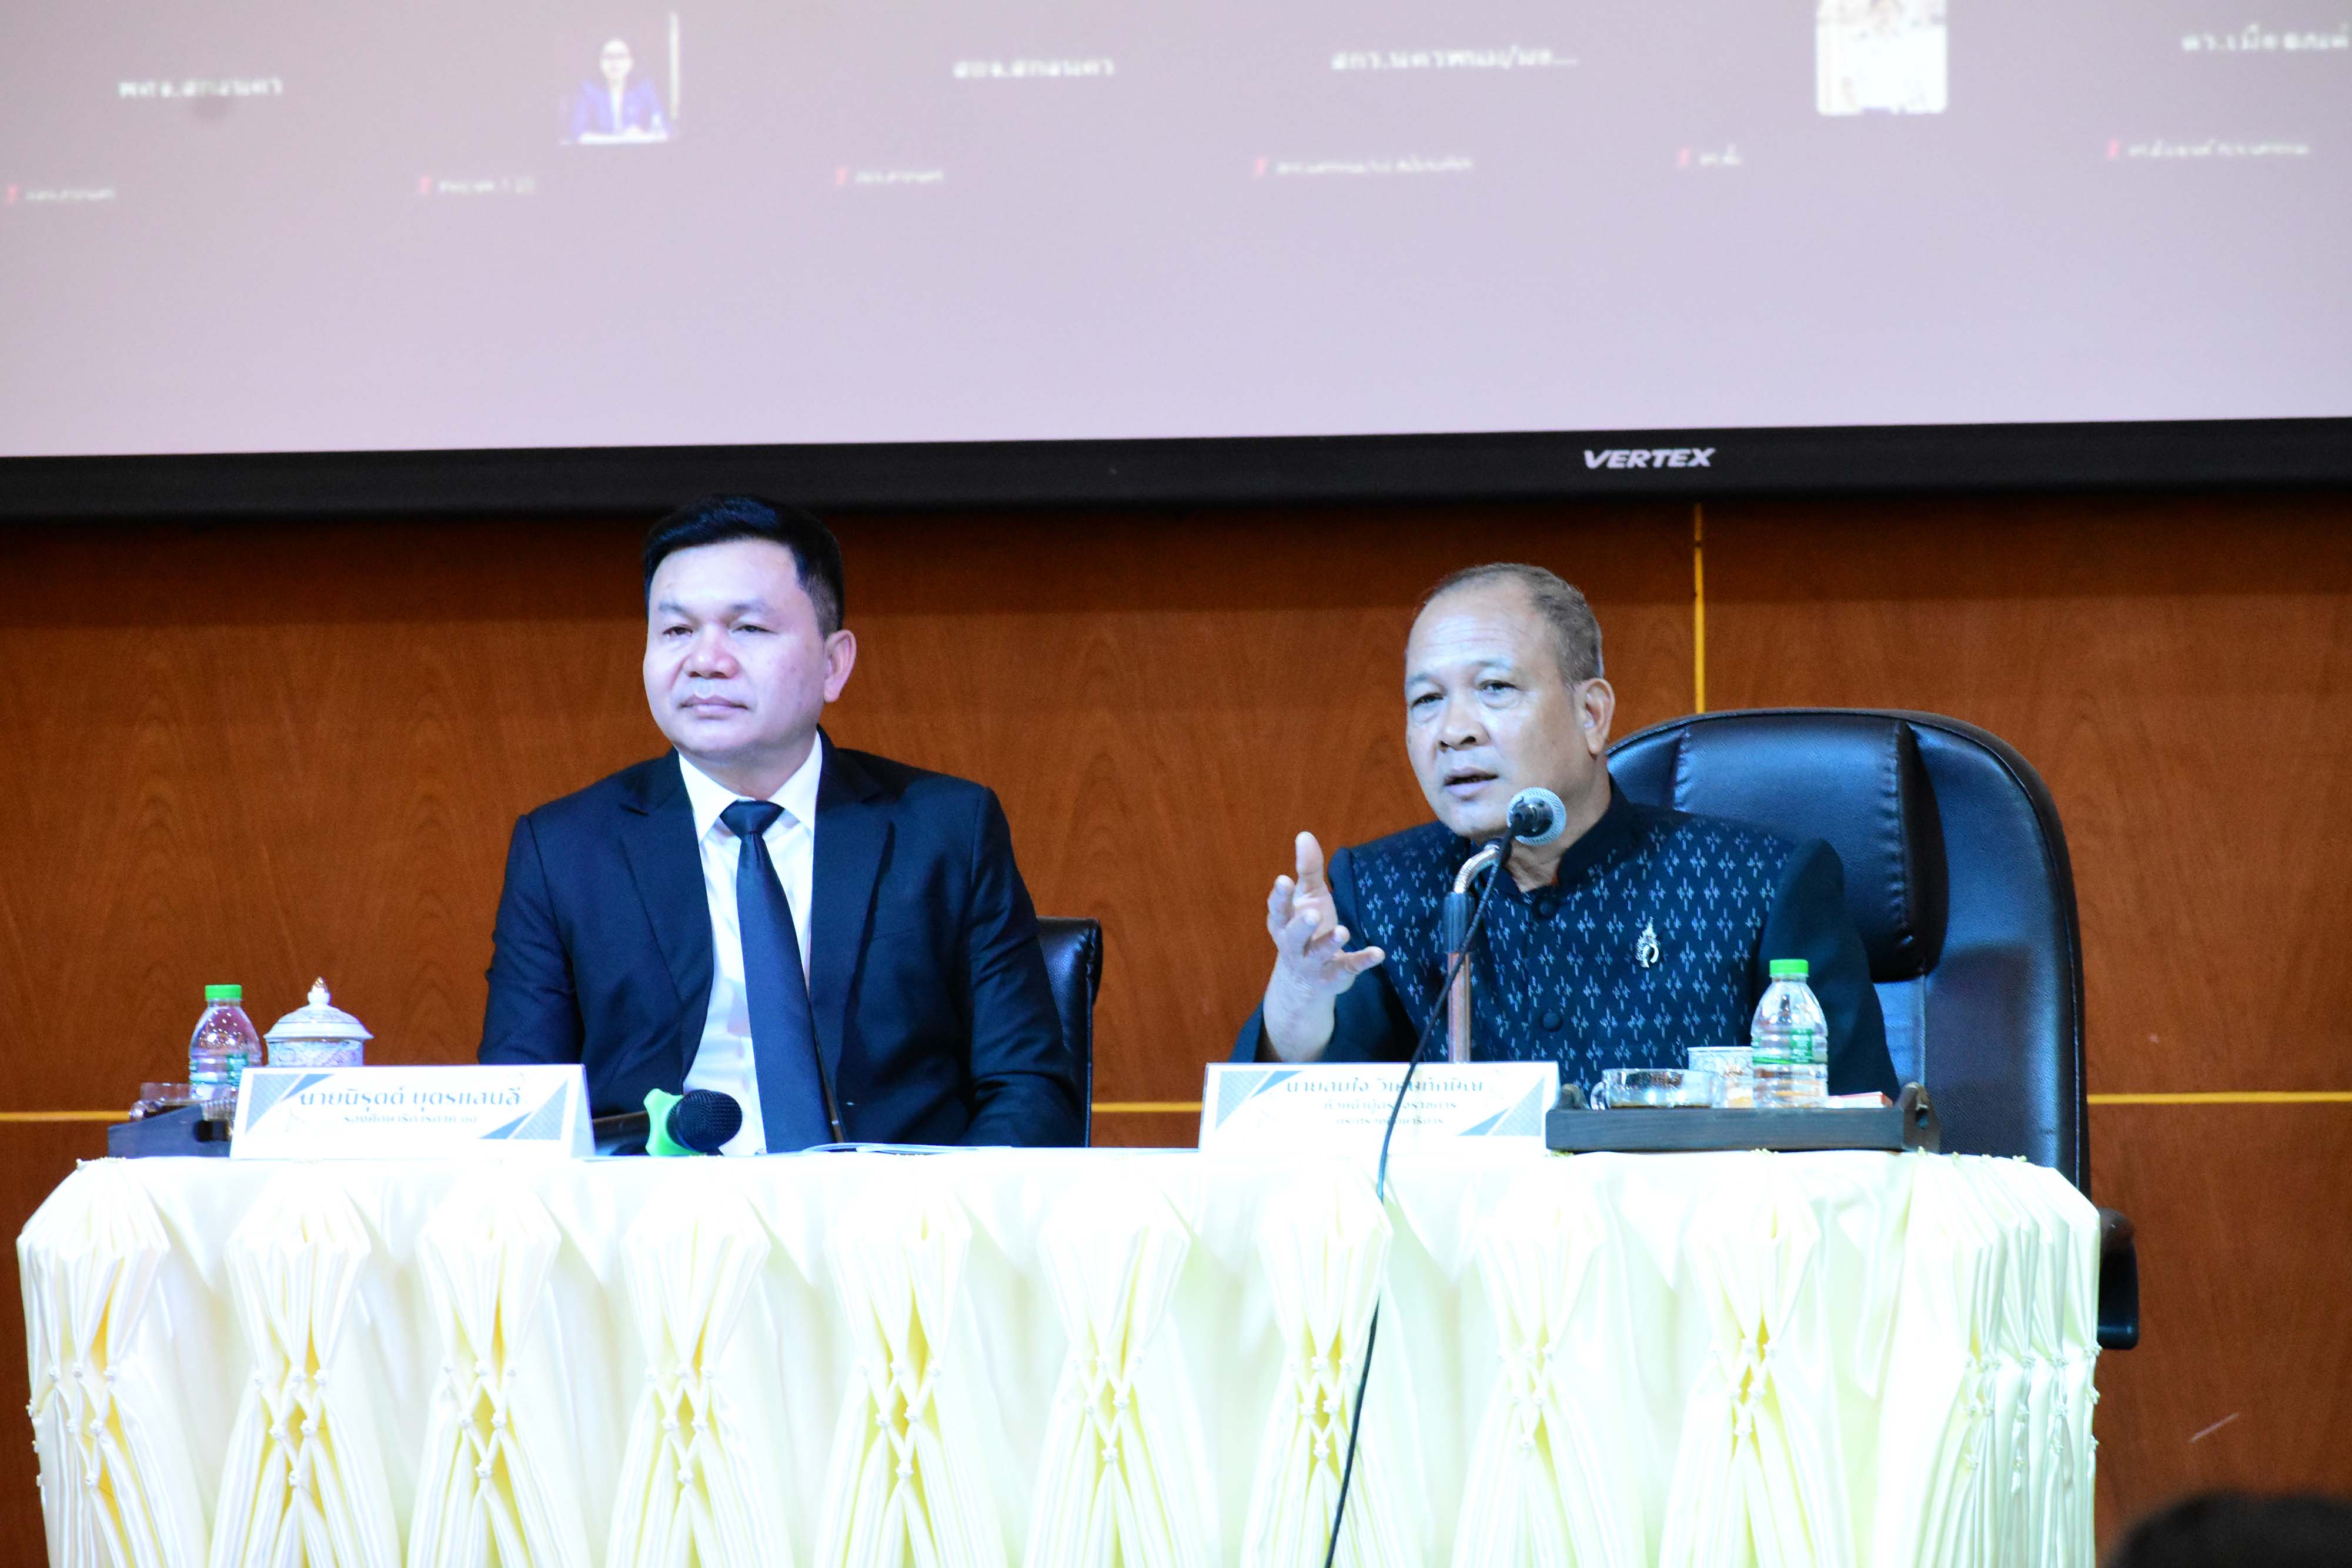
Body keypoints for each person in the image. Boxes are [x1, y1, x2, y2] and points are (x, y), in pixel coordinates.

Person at [480, 496, 1082, 1151]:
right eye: (676, 631)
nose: (705, 660)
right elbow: (522, 1111)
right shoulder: (564, 848)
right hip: (654, 1207)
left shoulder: (945, 829)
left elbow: (1027, 1089)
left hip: (892, 1204)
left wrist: (932, 1211)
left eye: (747, 629)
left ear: (833, 663)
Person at [1235, 561, 1899, 1097]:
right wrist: (1298, 994)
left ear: (1591, 714)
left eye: (1495, 688)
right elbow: (1286, 1136)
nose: (1453, 731)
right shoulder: (1379, 890)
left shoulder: (1757, 885)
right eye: (1427, 700)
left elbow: (1859, 1143)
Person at [566, 37, 669, 143]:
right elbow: (577, 133)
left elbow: (662, 130)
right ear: (599, 62)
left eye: (621, 56)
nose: (615, 63)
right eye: (608, 57)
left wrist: (642, 136)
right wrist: (619, 140)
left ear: (631, 62)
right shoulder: (589, 90)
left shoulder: (644, 89)